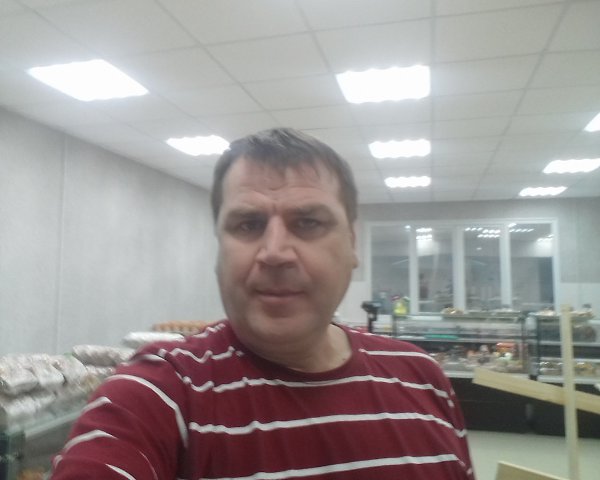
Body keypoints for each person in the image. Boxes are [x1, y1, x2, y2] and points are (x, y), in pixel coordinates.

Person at [49, 128, 474, 479]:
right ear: (219, 248)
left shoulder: (424, 380)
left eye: (307, 222)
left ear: (352, 243)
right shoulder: (160, 393)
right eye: (248, 224)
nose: (274, 252)